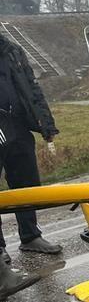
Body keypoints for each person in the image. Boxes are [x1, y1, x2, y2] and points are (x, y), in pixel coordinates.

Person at [0, 32, 62, 265]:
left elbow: (32, 88)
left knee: (26, 184)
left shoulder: (12, 50)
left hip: (18, 123)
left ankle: (30, 236)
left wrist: (46, 123)